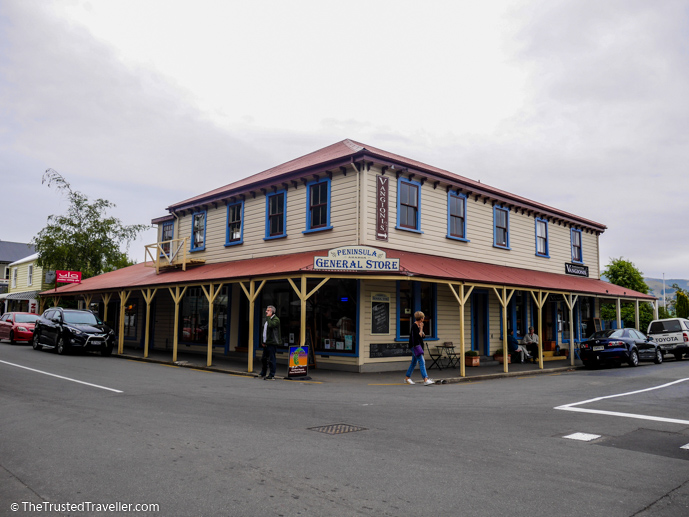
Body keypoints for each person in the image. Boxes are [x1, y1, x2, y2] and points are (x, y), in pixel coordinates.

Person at [405, 311, 435, 386]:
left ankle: (407, 378)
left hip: (417, 346)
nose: (424, 319)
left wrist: (421, 330)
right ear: (421, 318)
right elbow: (418, 337)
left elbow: (423, 336)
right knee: (422, 361)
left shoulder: (418, 326)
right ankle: (425, 379)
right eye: (423, 317)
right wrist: (421, 329)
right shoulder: (414, 326)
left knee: (414, 363)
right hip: (415, 346)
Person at [259, 305, 281, 380]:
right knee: (264, 358)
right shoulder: (267, 320)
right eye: (266, 310)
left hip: (272, 343)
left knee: (272, 359)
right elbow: (264, 331)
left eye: (268, 310)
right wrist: (263, 341)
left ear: (272, 312)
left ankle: (272, 374)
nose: (266, 312)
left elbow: (271, 325)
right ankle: (263, 372)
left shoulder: (276, 319)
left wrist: (268, 317)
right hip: (266, 343)